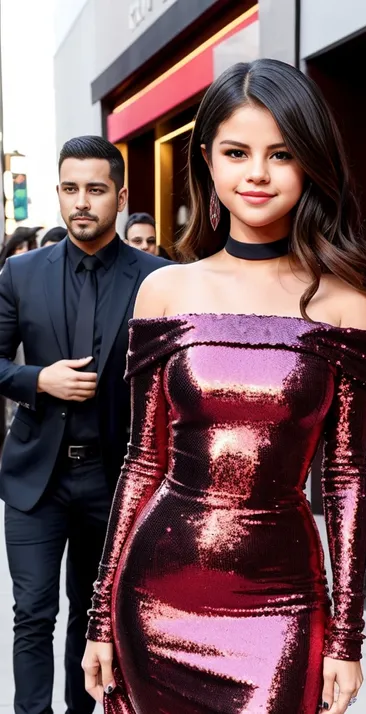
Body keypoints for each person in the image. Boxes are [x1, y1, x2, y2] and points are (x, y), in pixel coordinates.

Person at [84, 59, 366, 714]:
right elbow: (143, 461)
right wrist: (97, 616)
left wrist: (347, 635)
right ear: (207, 159)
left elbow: (344, 478)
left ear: (310, 162)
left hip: (281, 603)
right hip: (156, 596)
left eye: (281, 153)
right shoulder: (166, 290)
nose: (256, 173)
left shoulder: (347, 305)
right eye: (236, 151)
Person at [0, 135, 169, 714]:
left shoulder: (158, 278)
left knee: (93, 616)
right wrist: (38, 379)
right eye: (71, 189)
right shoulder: (20, 273)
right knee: (32, 614)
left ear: (120, 197)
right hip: (34, 482)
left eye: (95, 190)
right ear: (58, 192)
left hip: (114, 481)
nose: (81, 202)